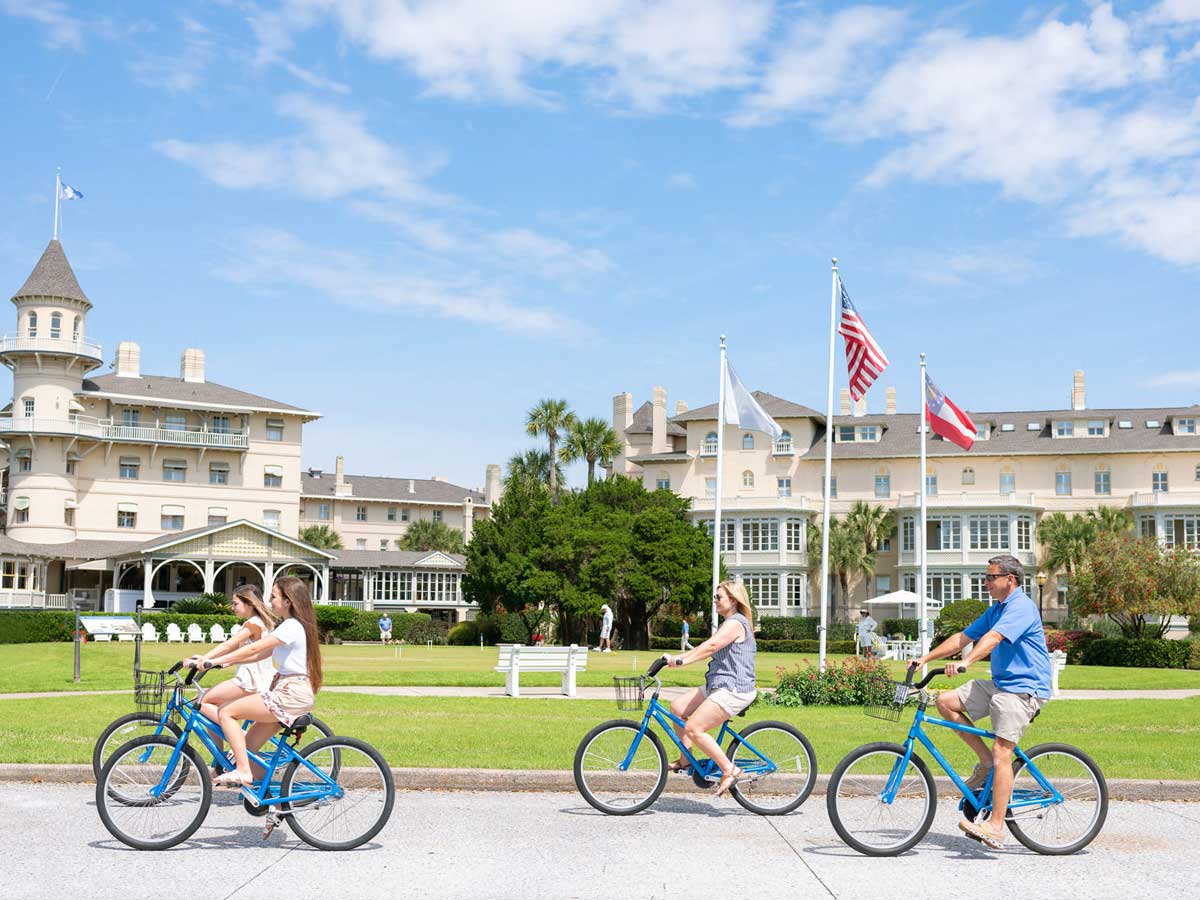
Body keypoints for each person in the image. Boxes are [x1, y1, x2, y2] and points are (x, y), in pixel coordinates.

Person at [913, 554, 1052, 850]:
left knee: (1003, 750)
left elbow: (994, 638)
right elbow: (964, 636)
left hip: (1023, 690)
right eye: (985, 577)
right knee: (946, 702)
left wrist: (967, 662)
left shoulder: (1021, 607)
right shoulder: (997, 608)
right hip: (1001, 685)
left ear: (1009, 580)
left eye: (990, 577)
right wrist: (925, 658)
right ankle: (986, 764)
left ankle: (996, 826)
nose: (985, 582)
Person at [193, 576, 324, 789]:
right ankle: (278, 797)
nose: (270, 601)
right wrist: (221, 663)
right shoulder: (291, 626)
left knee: (226, 711)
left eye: (274, 596)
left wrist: (215, 660)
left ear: (288, 601)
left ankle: (243, 772)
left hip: (289, 695)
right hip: (287, 692)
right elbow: (260, 655)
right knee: (247, 751)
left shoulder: (291, 625)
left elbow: (254, 648)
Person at [662, 580, 757, 798]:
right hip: (718, 683)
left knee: (694, 727)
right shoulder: (728, 623)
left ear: (733, 600)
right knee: (677, 708)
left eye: (719, 597)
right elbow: (705, 646)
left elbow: (711, 647)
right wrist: (678, 658)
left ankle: (729, 769)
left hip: (735, 687)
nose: (715, 601)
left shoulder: (736, 623)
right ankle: (686, 760)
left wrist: (681, 662)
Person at [184, 585, 276, 770]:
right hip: (253, 677)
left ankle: (234, 737)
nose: (232, 607)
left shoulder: (253, 623)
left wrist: (205, 658)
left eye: (235, 603)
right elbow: (238, 652)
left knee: (202, 701)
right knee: (206, 702)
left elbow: (229, 645)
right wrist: (217, 662)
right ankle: (221, 758)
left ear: (249, 603)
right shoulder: (256, 622)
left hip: (251, 680)